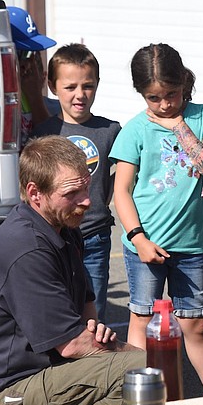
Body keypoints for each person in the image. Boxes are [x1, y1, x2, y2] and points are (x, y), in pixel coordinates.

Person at [0, 135, 145, 405]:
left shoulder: (63, 227)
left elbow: (87, 307)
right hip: (16, 396)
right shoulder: (27, 249)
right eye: (73, 192)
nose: (86, 200)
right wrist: (131, 354)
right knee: (141, 372)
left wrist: (96, 333)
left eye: (86, 187)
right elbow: (73, 345)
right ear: (35, 193)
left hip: (51, 374)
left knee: (140, 369)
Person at [111, 43, 203, 396]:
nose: (164, 105)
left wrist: (178, 126)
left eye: (172, 95)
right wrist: (139, 239)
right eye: (153, 98)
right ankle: (139, 398)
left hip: (189, 247)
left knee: (195, 325)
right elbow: (121, 193)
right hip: (143, 245)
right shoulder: (134, 130)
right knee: (142, 320)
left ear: (183, 85)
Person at [33, 44, 121, 322]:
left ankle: (95, 362)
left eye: (88, 86)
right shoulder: (44, 133)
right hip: (53, 237)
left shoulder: (111, 130)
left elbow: (123, 178)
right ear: (52, 85)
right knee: (57, 312)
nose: (80, 95)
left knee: (94, 314)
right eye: (70, 87)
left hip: (95, 236)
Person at [8, 6, 58, 143]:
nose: (28, 63)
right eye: (21, 53)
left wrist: (34, 97)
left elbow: (52, 147)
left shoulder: (54, 108)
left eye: (32, 54)